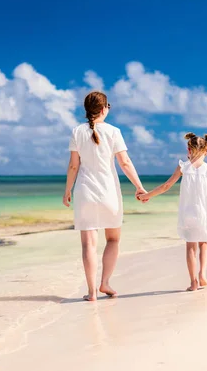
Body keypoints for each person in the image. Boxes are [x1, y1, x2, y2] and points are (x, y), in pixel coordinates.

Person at [63, 91, 146, 301]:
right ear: (103, 109)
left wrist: (67, 190)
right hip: (109, 193)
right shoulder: (114, 131)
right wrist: (139, 187)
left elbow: (74, 165)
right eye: (108, 106)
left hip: (85, 193)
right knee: (113, 239)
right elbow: (125, 163)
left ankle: (91, 292)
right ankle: (105, 283)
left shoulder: (77, 132)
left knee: (88, 244)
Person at [138, 132, 207, 291]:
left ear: (188, 150)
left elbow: (166, 186)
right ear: (206, 151)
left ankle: (193, 282)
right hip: (203, 212)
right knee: (203, 242)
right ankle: (202, 273)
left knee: (190, 246)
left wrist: (147, 195)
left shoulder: (183, 167)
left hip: (187, 212)